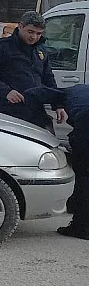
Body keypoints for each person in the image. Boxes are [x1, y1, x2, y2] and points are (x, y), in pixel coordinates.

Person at [0, 11, 68, 132]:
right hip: (9, 111)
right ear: (20, 26)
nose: (34, 37)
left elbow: (48, 78)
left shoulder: (40, 49)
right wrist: (6, 92)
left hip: (36, 111)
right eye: (30, 32)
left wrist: (57, 105)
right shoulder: (2, 47)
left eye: (39, 34)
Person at [59, 83, 89, 240]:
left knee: (84, 177)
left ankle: (81, 228)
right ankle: (74, 207)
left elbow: (34, 93)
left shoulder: (66, 94)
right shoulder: (81, 93)